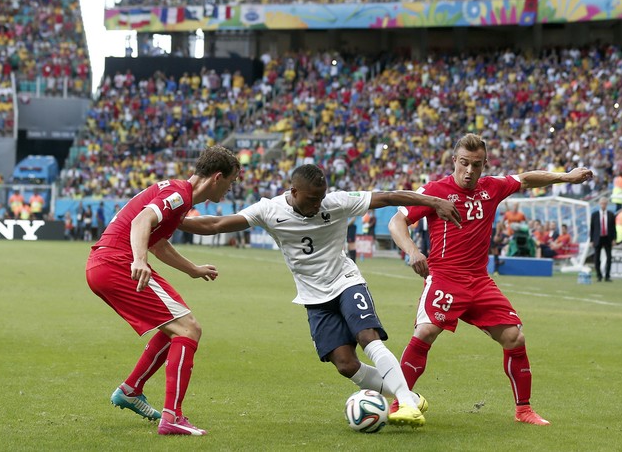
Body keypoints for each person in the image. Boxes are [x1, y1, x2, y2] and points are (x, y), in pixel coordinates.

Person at [179, 164, 463, 428]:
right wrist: (171, 220)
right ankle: (410, 397)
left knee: (368, 337)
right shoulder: (269, 210)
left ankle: (406, 405)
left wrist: (433, 201)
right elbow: (215, 224)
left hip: (347, 282)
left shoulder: (336, 202)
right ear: (294, 192)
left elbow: (387, 197)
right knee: (345, 365)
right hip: (314, 297)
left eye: (321, 198)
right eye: (312, 199)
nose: (318, 204)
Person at [387, 133, 592, 427]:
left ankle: (524, 411)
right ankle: (400, 404)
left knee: (514, 337)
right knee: (426, 331)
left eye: (477, 165)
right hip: (445, 278)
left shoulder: (492, 188)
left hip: (480, 281)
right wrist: (413, 251)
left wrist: (566, 177)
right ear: (454, 161)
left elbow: (525, 179)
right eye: (464, 164)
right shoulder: (433, 191)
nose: (470, 171)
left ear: (484, 164)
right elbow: (397, 220)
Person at [85, 146, 241, 436]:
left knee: (176, 326)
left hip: (106, 263)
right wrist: (139, 260)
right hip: (117, 262)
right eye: (232, 181)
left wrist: (192, 269)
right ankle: (172, 418)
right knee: (188, 329)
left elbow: (157, 243)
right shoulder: (180, 194)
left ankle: (131, 390)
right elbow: (141, 221)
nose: (231, 188)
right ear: (217, 177)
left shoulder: (177, 195)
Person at [590, 197, 617, 282]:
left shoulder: (611, 214)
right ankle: (599, 275)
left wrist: (614, 239)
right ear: (599, 204)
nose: (603, 205)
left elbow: (613, 228)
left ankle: (607, 276)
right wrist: (591, 240)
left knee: (609, 258)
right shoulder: (594, 215)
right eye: (602, 203)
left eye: (605, 203)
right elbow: (592, 228)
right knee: (597, 258)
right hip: (598, 238)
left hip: (607, 238)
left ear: (607, 204)